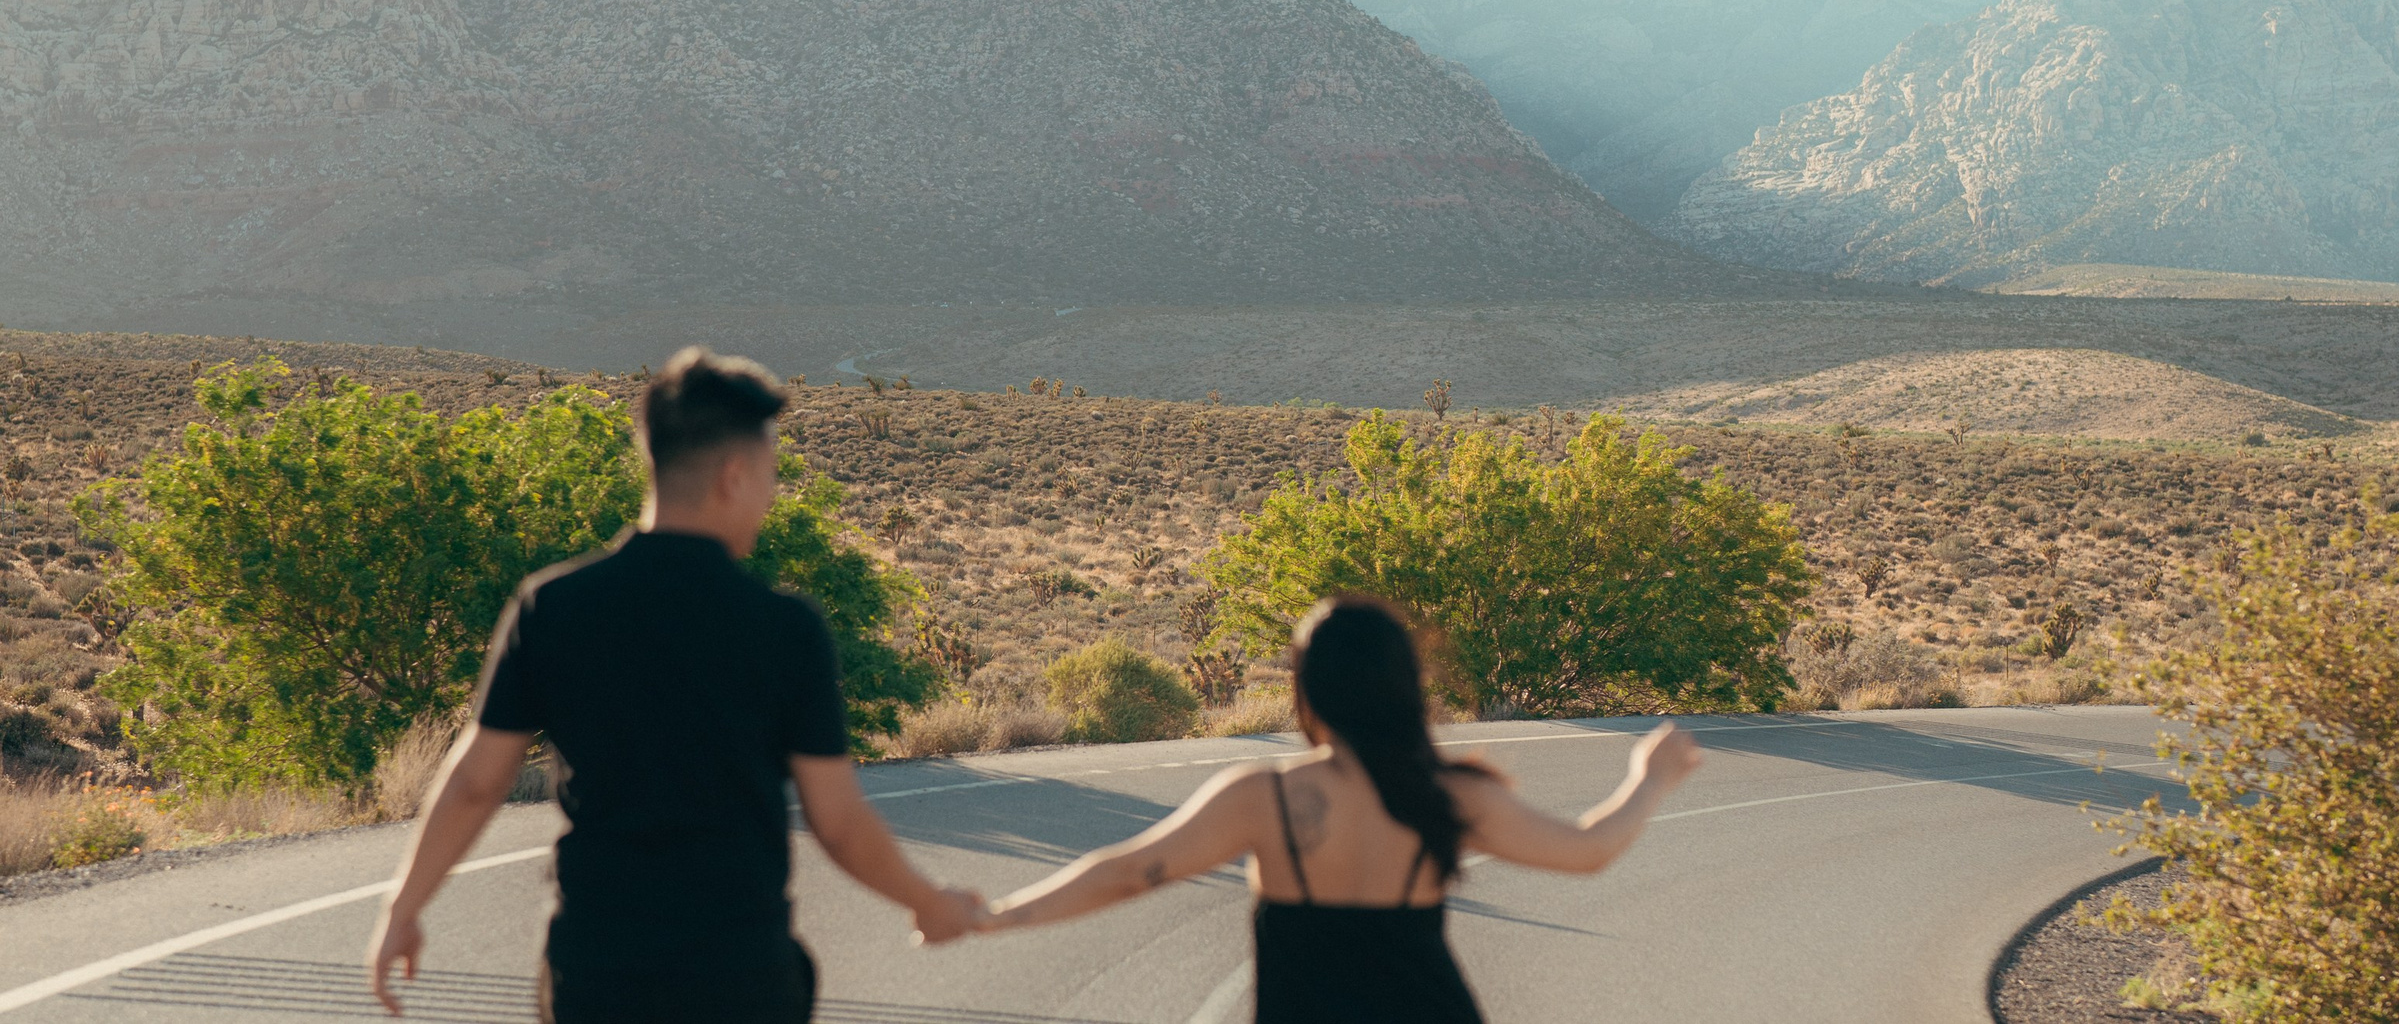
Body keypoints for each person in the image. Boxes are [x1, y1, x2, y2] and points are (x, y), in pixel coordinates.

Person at [365, 347, 982, 1022]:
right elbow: (836, 820)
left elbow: (476, 781)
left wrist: (404, 906)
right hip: (741, 977)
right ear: (734, 475)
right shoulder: (784, 627)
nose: (772, 495)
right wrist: (927, 899)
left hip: (597, 975)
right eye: (771, 474)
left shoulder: (553, 605)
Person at [971, 596, 1704, 1022]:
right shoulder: (1445, 792)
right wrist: (1650, 774)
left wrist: (996, 914)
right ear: (1402, 686)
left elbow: (1128, 871)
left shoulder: (1266, 798)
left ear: (1308, 690)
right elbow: (1589, 847)